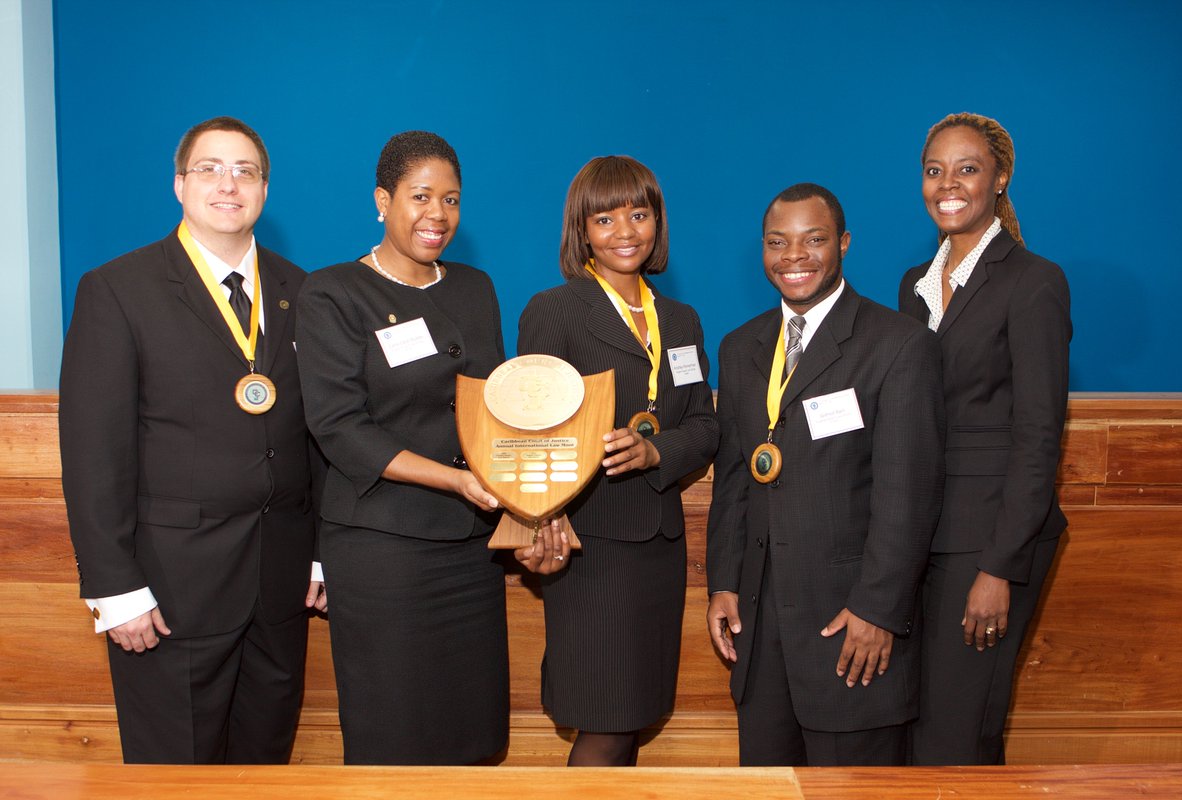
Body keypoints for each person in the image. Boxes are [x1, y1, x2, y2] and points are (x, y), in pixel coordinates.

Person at [59, 116, 324, 764]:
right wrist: (114, 588)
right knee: (173, 777)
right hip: (168, 595)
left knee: (264, 772)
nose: (228, 184)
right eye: (210, 169)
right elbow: (94, 455)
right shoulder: (118, 290)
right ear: (179, 184)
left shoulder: (304, 291)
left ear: (264, 190)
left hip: (280, 588)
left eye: (245, 171)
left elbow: (319, 435)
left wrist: (322, 556)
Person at [295, 131, 563, 765]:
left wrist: (536, 503)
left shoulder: (474, 287)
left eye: (451, 199)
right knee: (395, 735)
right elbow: (339, 426)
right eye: (420, 196)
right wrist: (456, 480)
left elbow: (499, 410)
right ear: (382, 201)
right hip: (382, 551)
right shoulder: (333, 292)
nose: (437, 214)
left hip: (470, 550)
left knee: (474, 732)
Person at [705, 183, 944, 767]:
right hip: (760, 631)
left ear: (843, 243)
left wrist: (878, 610)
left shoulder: (898, 345)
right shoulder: (740, 348)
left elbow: (907, 496)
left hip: (851, 628)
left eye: (813, 240)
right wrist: (724, 583)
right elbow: (735, 480)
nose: (794, 256)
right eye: (777, 242)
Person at [517, 156, 718, 766]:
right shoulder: (553, 311)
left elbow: (705, 426)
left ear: (658, 220)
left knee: (633, 716)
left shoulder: (681, 320)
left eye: (638, 214)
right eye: (604, 219)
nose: (625, 231)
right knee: (604, 719)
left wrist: (657, 449)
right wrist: (543, 518)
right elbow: (530, 433)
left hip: (659, 546)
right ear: (581, 230)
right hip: (587, 543)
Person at [900, 113, 1072, 765]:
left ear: (999, 180)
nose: (948, 184)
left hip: (990, 541)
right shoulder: (913, 286)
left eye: (967, 169)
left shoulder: (1034, 281)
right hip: (923, 538)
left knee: (957, 737)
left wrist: (998, 568)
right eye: (934, 170)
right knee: (916, 733)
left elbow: (1038, 438)